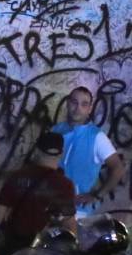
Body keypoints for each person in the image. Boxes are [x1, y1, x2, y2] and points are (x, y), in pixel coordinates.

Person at [0, 131, 77, 253]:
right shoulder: (65, 185)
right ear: (61, 154)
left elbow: (0, 208)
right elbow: (68, 221)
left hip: (9, 240)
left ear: (37, 151)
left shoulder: (18, 175)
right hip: (38, 248)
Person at [52, 87, 125, 217]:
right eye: (74, 102)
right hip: (52, 205)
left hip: (77, 210)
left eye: (84, 104)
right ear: (67, 103)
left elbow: (118, 168)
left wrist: (97, 196)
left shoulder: (97, 137)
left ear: (90, 109)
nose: (78, 108)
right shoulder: (56, 130)